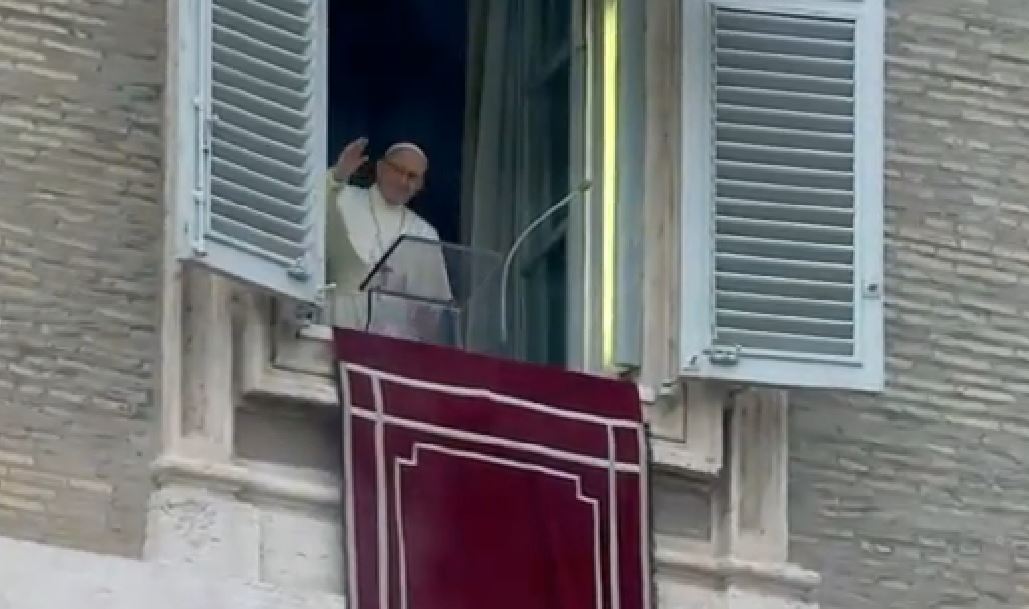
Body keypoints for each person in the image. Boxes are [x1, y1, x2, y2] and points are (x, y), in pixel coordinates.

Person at [325, 137, 452, 340]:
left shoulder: (424, 233)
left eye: (412, 177)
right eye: (398, 170)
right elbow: (308, 205)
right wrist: (338, 175)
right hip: (338, 323)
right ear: (380, 168)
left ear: (420, 184)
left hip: (395, 341)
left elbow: (431, 310)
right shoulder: (343, 199)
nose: (403, 181)